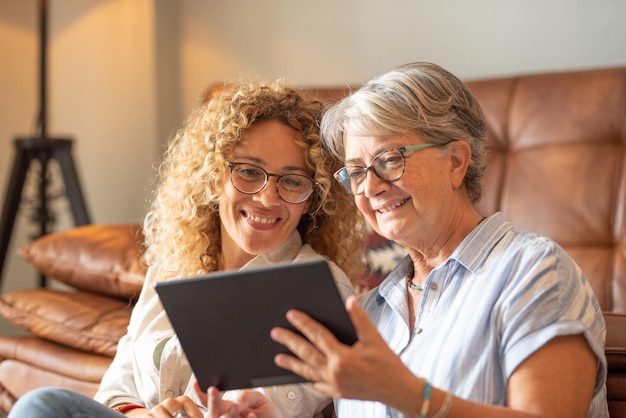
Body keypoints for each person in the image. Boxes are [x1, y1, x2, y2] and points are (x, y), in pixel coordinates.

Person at [205, 62, 609, 417]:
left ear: (455, 161)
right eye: (356, 171)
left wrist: (405, 393)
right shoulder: (367, 314)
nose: (371, 187)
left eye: (389, 160)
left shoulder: (534, 271)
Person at [7, 79, 364, 418]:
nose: (267, 197)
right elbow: (116, 389)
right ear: (213, 178)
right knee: (44, 406)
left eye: (291, 181)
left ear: (312, 198)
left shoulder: (316, 285)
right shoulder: (173, 267)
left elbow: (280, 403)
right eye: (249, 172)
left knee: (43, 404)